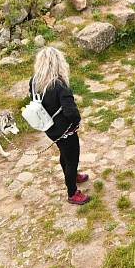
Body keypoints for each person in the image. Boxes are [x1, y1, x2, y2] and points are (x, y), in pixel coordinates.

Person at [31, 47, 90, 205]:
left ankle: (73, 175)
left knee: (65, 154)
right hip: (65, 130)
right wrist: (76, 122)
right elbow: (71, 111)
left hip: (49, 127)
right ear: (58, 62)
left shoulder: (34, 81)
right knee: (71, 159)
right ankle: (72, 192)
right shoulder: (59, 85)